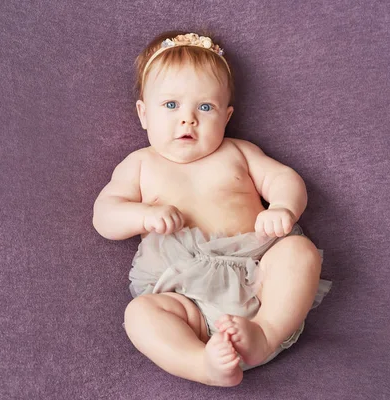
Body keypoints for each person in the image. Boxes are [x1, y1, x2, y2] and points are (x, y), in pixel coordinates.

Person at [92, 31, 332, 387]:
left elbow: (284, 178)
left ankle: (265, 335)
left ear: (226, 115)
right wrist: (141, 215)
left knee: (300, 252)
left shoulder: (239, 152)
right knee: (140, 314)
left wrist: (283, 207)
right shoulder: (140, 164)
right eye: (171, 105)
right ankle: (200, 363)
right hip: (182, 295)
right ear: (143, 113)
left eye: (205, 107)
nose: (188, 119)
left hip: (259, 282)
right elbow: (104, 214)